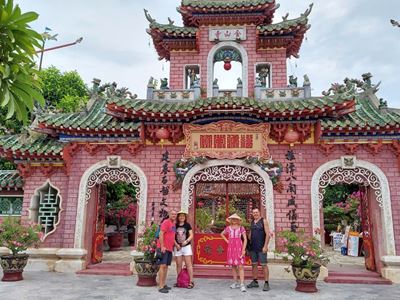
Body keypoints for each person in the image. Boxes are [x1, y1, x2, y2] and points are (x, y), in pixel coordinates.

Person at [220, 213, 247, 293]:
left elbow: (245, 239)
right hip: (231, 248)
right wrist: (227, 241)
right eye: (233, 219)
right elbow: (222, 234)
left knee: (241, 266)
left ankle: (242, 284)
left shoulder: (241, 228)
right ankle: (235, 282)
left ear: (238, 220)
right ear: (231, 220)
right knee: (233, 266)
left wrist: (244, 249)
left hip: (239, 248)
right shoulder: (228, 228)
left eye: (236, 219)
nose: (234, 220)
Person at [246, 208, 271, 291]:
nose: (255, 214)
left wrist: (265, 246)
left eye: (256, 212)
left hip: (261, 247)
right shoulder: (252, 222)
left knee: (264, 265)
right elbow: (250, 234)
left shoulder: (264, 221)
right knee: (254, 265)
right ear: (252, 214)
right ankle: (255, 281)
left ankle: (266, 283)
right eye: (253, 213)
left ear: (259, 213)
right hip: (253, 247)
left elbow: (268, 234)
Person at [157, 210, 177, 294]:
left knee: (166, 266)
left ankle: (164, 284)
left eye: (175, 214)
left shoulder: (173, 224)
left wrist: (176, 245)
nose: (174, 215)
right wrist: (162, 246)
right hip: (163, 248)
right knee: (162, 266)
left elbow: (172, 236)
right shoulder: (166, 222)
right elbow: (161, 234)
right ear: (169, 215)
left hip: (169, 248)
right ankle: (160, 286)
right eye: (172, 214)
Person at [174, 211, 194, 288]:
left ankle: (191, 281)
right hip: (177, 247)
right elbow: (172, 236)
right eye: (180, 216)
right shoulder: (175, 225)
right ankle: (179, 281)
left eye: (183, 216)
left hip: (186, 247)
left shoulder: (187, 225)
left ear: (185, 217)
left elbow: (191, 235)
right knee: (178, 265)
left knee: (188, 264)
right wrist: (176, 244)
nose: (181, 217)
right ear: (178, 217)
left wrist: (186, 241)